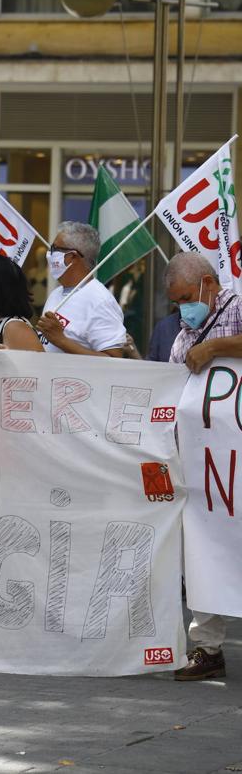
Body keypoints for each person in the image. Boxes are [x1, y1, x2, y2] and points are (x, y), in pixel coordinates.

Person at [165, 251, 242, 681]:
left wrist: (214, 347)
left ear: (208, 285)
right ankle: (208, 646)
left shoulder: (238, 307)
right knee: (206, 551)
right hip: (207, 467)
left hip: (237, 459)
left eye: (185, 298)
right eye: (175, 302)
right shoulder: (183, 335)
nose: (183, 308)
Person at [36, 222, 126, 357]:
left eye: (54, 248)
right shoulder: (56, 293)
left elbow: (115, 359)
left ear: (72, 256)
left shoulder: (100, 300)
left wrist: (61, 340)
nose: (49, 254)